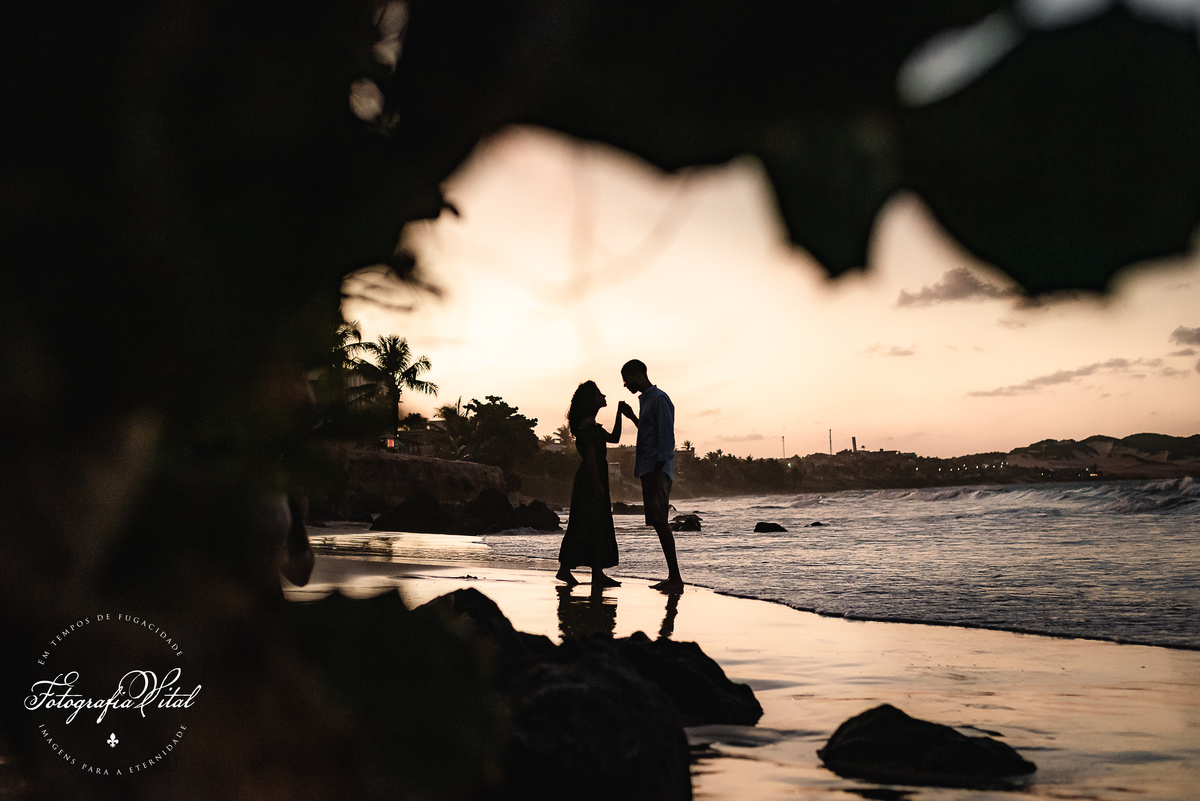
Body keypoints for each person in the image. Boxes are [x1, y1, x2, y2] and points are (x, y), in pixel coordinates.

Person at [618, 359, 683, 591]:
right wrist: (632, 418)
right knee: (658, 522)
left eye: (626, 379)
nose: (625, 385)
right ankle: (673, 577)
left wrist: (657, 469)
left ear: (638, 374)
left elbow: (667, 438)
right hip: (650, 469)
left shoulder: (658, 398)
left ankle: (675, 578)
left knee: (660, 522)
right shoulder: (646, 400)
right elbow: (648, 431)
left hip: (657, 470)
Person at [557, 381, 623, 587]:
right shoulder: (587, 428)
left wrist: (620, 413)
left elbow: (615, 438)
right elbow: (591, 458)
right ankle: (565, 569)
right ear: (591, 400)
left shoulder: (592, 427)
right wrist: (596, 484)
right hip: (590, 479)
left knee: (598, 524)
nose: (604, 396)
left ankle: (597, 572)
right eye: (599, 394)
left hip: (594, 478)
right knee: (583, 523)